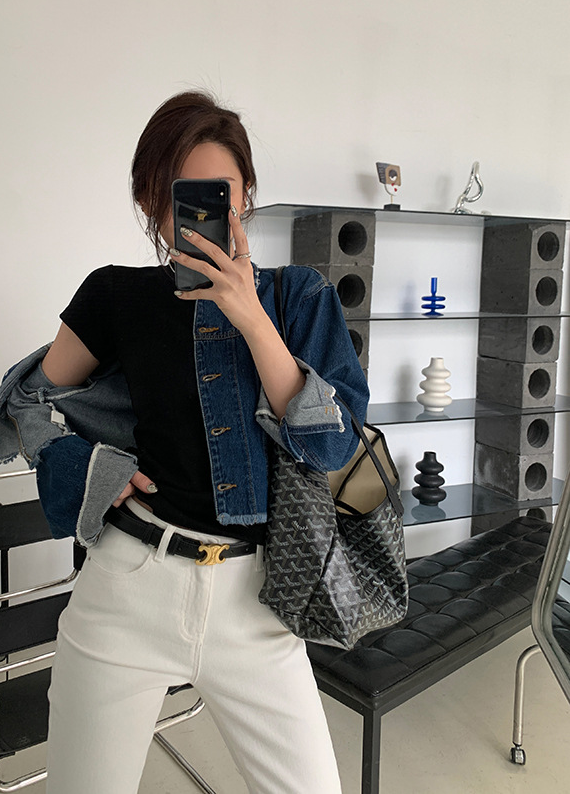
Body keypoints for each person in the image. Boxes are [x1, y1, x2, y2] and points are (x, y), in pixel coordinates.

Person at [41, 91, 369, 793]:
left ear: (244, 195)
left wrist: (251, 317)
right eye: (177, 196)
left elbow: (334, 448)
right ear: (149, 200)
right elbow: (28, 405)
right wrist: (87, 466)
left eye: (217, 193)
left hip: (256, 602)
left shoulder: (298, 296)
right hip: (128, 589)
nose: (199, 215)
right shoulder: (114, 295)